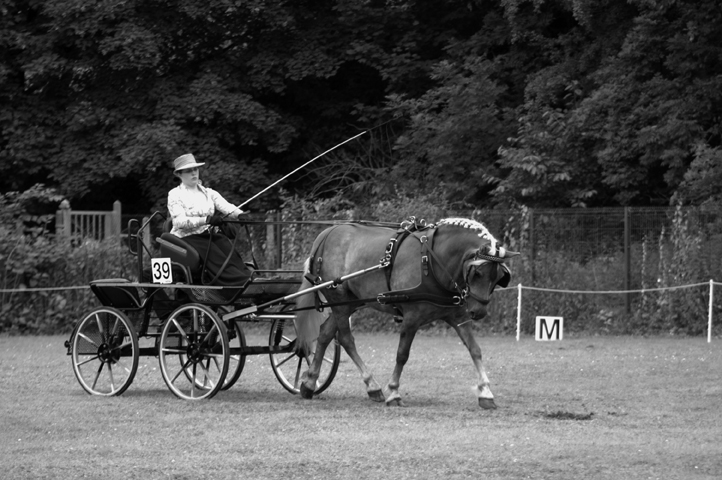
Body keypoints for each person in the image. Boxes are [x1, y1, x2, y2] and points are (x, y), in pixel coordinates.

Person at [166, 153, 251, 288]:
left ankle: (249, 278)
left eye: (195, 169)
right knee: (213, 251)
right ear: (179, 175)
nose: (194, 173)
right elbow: (179, 222)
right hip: (185, 238)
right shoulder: (175, 194)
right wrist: (206, 219)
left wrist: (240, 215)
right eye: (189, 171)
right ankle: (236, 284)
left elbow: (226, 206)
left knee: (226, 246)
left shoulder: (208, 192)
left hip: (206, 235)